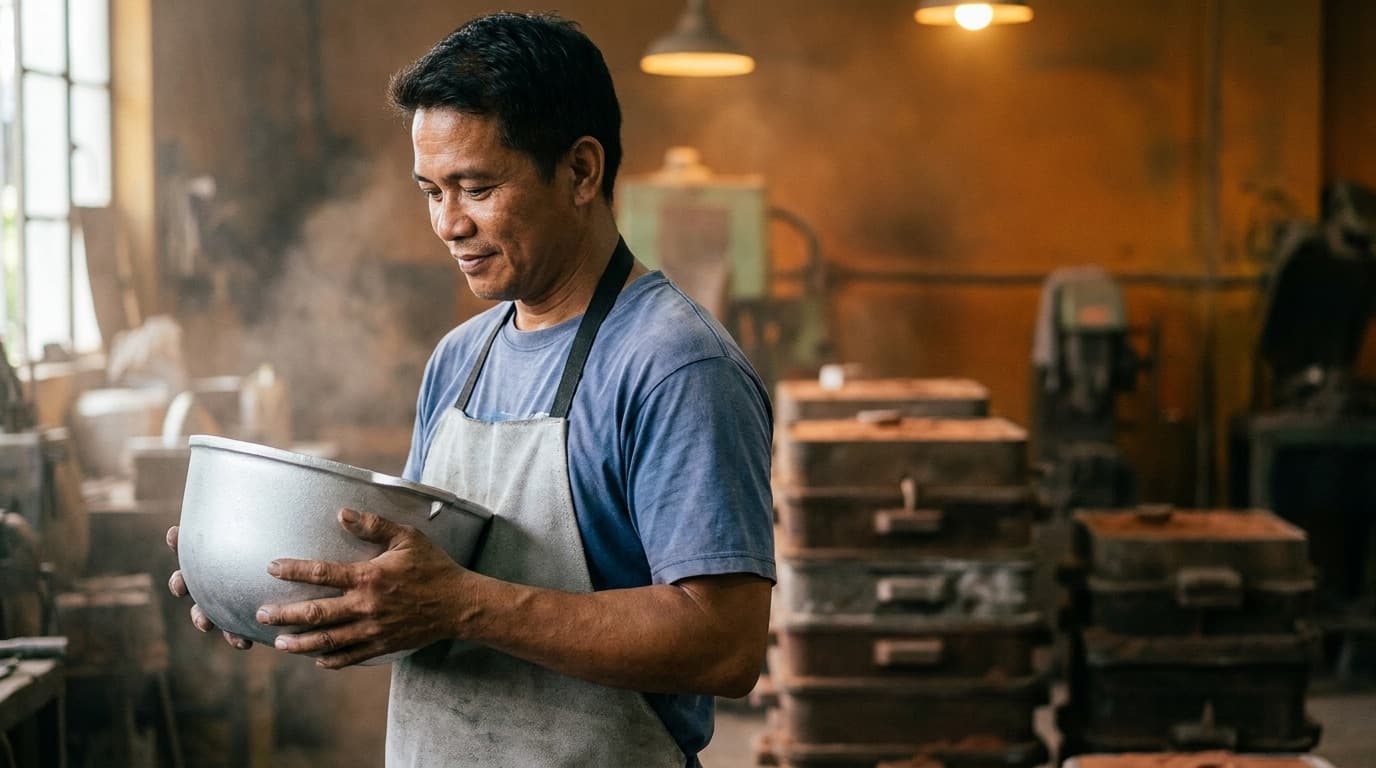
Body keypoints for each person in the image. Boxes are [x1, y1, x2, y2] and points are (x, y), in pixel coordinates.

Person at [166, 11, 775, 768]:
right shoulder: (461, 358)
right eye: (430, 191)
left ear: (582, 172)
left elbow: (725, 646)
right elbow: (422, 600)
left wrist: (464, 603)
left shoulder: (673, 365)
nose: (448, 224)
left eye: (476, 187)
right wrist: (265, 589)